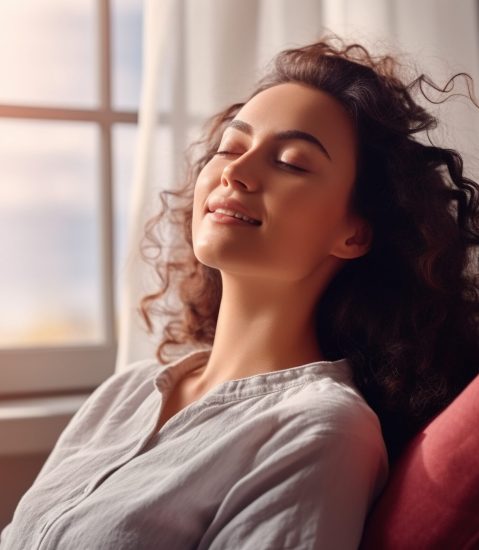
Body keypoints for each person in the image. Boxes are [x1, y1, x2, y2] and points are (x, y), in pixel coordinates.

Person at [2, 35, 479, 550]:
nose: (235, 171)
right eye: (230, 147)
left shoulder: (318, 432)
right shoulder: (126, 393)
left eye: (292, 162)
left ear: (355, 232)